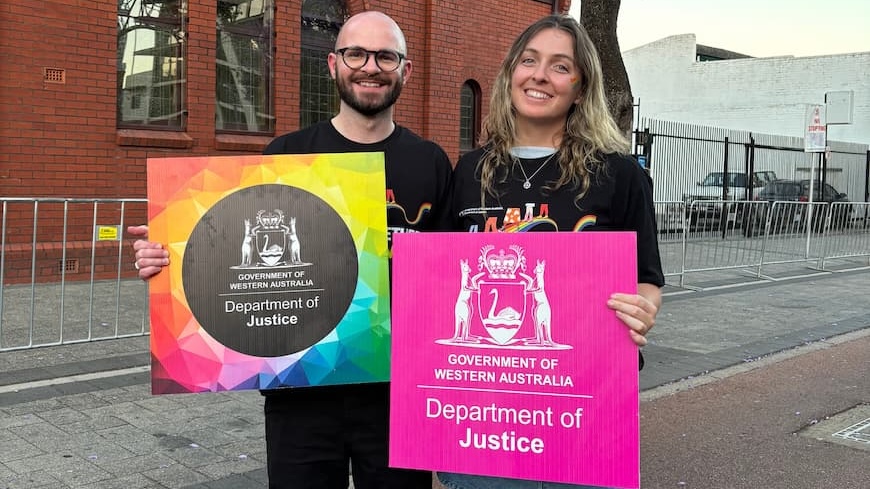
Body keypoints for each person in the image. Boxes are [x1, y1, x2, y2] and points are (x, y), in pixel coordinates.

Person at [130, 11, 451, 489]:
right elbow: (234, 259)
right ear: (333, 64)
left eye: (386, 56)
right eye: (356, 54)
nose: (370, 67)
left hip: (398, 396)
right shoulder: (287, 154)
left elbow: (451, 271)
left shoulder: (430, 161)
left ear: (406, 70)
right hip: (301, 389)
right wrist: (166, 259)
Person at [436, 14, 664, 489]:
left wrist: (643, 311)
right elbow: (442, 278)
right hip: (483, 407)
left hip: (583, 400)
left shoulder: (619, 173)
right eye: (529, 61)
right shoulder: (470, 171)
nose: (540, 75)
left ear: (581, 88)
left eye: (561, 67)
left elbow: (646, 277)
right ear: (510, 75)